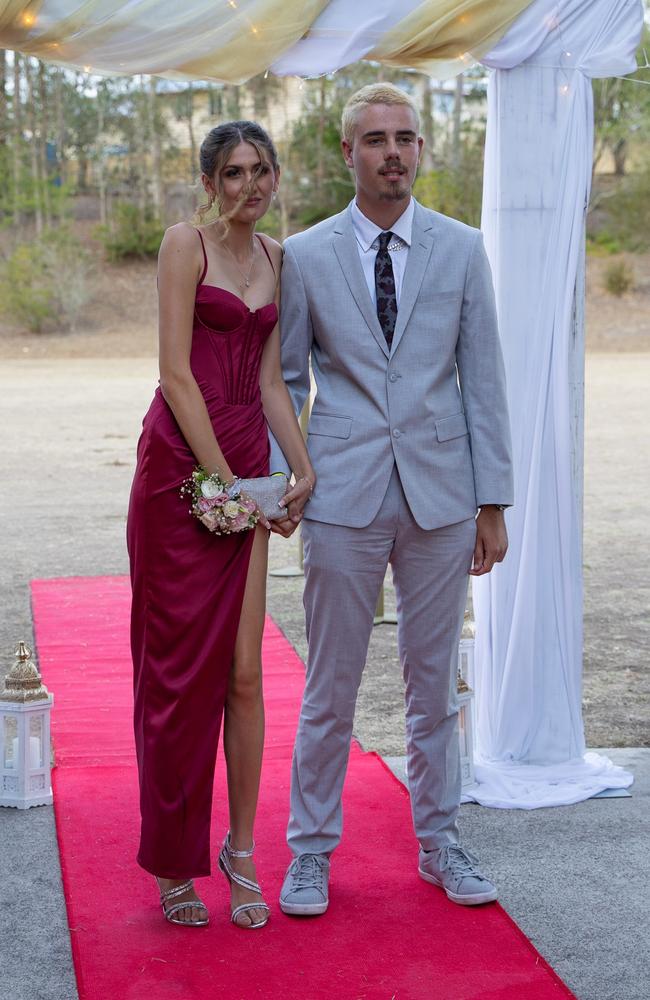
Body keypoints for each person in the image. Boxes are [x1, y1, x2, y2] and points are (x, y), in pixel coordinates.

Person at [271, 83, 513, 915]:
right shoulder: (302, 254)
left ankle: (442, 843)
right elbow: (287, 380)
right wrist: (284, 480)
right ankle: (309, 853)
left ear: (422, 149)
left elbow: (483, 380)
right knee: (330, 684)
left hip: (444, 498)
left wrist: (493, 501)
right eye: (376, 139)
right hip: (340, 492)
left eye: (406, 138)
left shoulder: (461, 247)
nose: (394, 153)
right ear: (348, 153)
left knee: (433, 683)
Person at [127, 120, 315, 929]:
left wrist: (301, 467)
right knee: (177, 673)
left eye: (261, 170)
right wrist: (223, 482)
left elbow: (273, 380)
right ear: (209, 180)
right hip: (182, 468)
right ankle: (175, 861)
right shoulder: (184, 245)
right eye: (234, 172)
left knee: (244, 672)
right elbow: (174, 371)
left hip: (247, 460)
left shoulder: (279, 257)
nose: (250, 184)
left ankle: (240, 850)